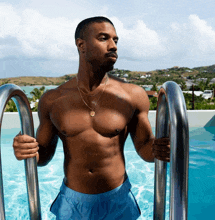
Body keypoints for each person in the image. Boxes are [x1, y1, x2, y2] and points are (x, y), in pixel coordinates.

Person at [13, 16, 170, 220]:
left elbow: (144, 148)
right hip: (72, 202)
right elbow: (43, 157)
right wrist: (28, 150)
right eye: (104, 38)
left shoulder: (132, 95)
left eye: (116, 40)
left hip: (118, 199)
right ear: (81, 45)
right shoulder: (53, 100)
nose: (113, 46)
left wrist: (159, 148)